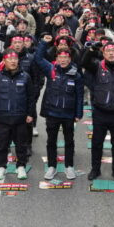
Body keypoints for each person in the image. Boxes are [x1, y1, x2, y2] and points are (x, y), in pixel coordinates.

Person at [82, 41, 114, 182]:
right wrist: (92, 49)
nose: (111, 53)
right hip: (100, 112)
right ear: (104, 54)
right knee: (97, 143)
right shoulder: (98, 67)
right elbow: (85, 62)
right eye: (108, 51)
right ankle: (95, 169)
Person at [0, 47, 35, 181]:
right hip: (2, 117)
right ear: (4, 60)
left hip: (20, 117)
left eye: (15, 58)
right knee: (1, 144)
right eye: (10, 59)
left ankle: (21, 166)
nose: (13, 61)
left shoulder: (25, 76)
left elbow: (31, 97)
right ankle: (1, 167)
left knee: (21, 145)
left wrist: (30, 114)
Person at [35, 34, 83, 180]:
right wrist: (44, 43)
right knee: (51, 141)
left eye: (66, 58)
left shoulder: (76, 74)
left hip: (68, 114)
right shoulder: (51, 69)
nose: (63, 60)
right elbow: (38, 58)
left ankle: (69, 166)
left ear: (70, 59)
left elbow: (79, 96)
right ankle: (52, 166)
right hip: (52, 113)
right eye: (60, 58)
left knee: (69, 141)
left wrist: (78, 113)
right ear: (57, 58)